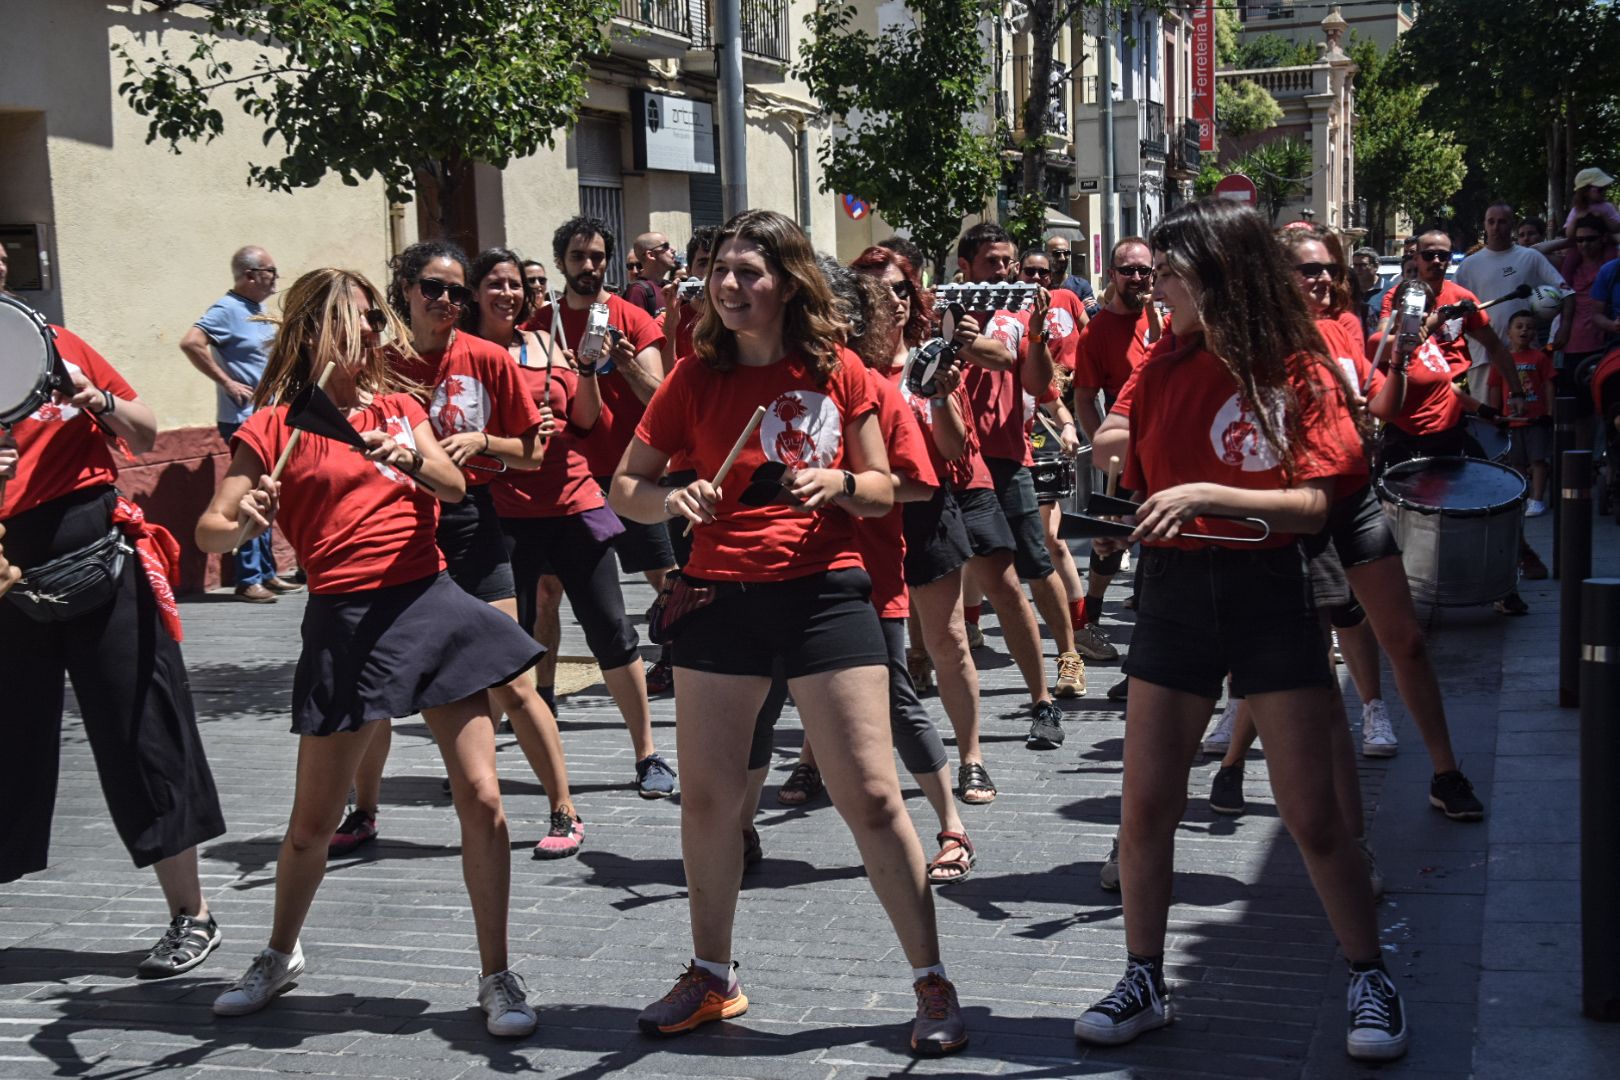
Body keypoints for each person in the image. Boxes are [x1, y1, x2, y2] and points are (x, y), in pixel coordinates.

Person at [610, 209, 968, 1057]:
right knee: (709, 800)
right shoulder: (692, 380)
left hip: (825, 596)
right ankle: (712, 973)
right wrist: (671, 501)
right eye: (722, 272)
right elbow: (627, 484)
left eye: (750, 272)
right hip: (719, 598)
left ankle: (932, 980)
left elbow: (888, 489)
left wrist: (841, 478)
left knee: (873, 797)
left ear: (789, 282)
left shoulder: (839, 373)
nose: (730, 287)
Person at [1074, 198, 1408, 1063]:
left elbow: (1315, 504)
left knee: (1314, 816)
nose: (1161, 291)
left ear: (1218, 276)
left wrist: (1208, 496)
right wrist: (1115, 443)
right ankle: (1144, 976)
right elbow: (1119, 422)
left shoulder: (1292, 367)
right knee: (1145, 806)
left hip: (1268, 592)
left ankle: (1369, 975)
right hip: (1177, 593)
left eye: (1175, 274)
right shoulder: (1165, 356)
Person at [196, 267, 542, 1034]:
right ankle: (280, 954)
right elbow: (211, 531)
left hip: (429, 601)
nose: (377, 335)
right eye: (361, 321)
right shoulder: (276, 424)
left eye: (379, 322)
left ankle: (498, 974)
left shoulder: (398, 405)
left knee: (482, 799)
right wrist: (248, 518)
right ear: (314, 330)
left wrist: (410, 456)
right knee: (311, 825)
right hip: (345, 622)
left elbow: (454, 487)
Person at [1, 319, 226, 981]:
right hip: (6, 562)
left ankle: (193, 914)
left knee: (140, 728)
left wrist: (93, 397)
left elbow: (146, 430)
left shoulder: (48, 342)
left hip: (93, 547)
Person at [747, 262, 977, 883]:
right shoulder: (766, 386)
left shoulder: (870, 387)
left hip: (867, 577)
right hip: (777, 576)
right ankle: (740, 832)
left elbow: (919, 483)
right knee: (761, 703)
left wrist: (842, 486)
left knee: (898, 703)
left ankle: (952, 826)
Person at [465, 245, 655, 841]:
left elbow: (588, 421)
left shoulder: (548, 345)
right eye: (495, 284)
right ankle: (481, 757)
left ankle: (647, 755)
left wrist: (591, 377)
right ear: (476, 293)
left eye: (516, 284)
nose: (509, 294)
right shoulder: (464, 355)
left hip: (573, 500)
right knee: (502, 643)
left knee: (611, 630)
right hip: (503, 512)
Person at [524, 218, 676, 793]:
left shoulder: (632, 317)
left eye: (597, 256)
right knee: (545, 595)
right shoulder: (538, 326)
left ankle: (673, 672)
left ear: (611, 262)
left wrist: (625, 357)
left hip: (632, 474)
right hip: (567, 479)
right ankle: (541, 702)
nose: (589, 266)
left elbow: (659, 398)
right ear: (561, 261)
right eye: (578, 256)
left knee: (665, 579)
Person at [853, 244, 995, 806]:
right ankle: (818, 759)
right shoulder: (842, 361)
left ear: (915, 297)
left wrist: (939, 397)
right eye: (874, 288)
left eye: (899, 288)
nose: (890, 299)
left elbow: (955, 448)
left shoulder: (928, 358)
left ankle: (972, 757)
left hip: (927, 509)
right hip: (861, 513)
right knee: (844, 644)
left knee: (947, 640)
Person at [955, 222, 1086, 744]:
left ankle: (1069, 655)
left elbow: (1033, 379)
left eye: (1010, 262)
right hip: (949, 456)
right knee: (925, 569)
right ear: (965, 267)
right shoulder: (942, 310)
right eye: (994, 262)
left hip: (1006, 456)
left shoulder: (1015, 317)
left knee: (1035, 561)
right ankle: (921, 658)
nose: (1006, 271)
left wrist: (1033, 333)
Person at [180, 245, 300, 602]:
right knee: (249, 495)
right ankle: (249, 580)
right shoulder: (227, 309)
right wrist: (228, 382)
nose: (275, 279)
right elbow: (192, 343)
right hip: (243, 421)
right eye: (270, 272)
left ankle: (265, 572)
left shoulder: (255, 310)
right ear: (249, 275)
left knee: (266, 492)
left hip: (266, 417)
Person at [1069, 238, 1159, 667]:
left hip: (1168, 450)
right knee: (1108, 543)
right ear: (1113, 276)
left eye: (1145, 270)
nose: (1138, 279)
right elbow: (1085, 397)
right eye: (1129, 271)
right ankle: (1090, 621)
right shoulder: (1097, 332)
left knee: (1157, 544)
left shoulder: (1167, 319)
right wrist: (1100, 446)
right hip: (1126, 453)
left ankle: (1150, 641)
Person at [1454, 203, 1571, 398]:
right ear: (1484, 224)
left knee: (1526, 416)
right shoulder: (1468, 266)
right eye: (1491, 222)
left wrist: (1564, 328)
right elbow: (1454, 310)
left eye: (1502, 222)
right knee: (1488, 420)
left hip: (1526, 356)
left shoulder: (1531, 257)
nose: (1496, 227)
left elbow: (1567, 293)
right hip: (1483, 357)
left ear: (1512, 225)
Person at [1488, 310, 1557, 514]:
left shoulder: (1540, 357)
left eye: (1530, 327)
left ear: (1536, 333)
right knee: (1516, 461)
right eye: (1519, 326)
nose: (1524, 330)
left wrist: (1550, 412)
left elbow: (1548, 385)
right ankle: (1521, 496)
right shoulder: (1501, 359)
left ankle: (1537, 499)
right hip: (1511, 419)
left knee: (1538, 460)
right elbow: (1494, 387)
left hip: (1535, 418)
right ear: (1508, 332)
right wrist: (1494, 413)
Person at [626, 232, 679, 317]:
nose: (673, 250)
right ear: (651, 255)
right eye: (666, 246)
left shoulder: (670, 286)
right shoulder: (638, 291)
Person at [1047, 235, 1096, 311]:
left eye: (1066, 253)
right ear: (1046, 256)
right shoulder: (1043, 285)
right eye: (1057, 254)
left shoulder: (1081, 286)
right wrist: (1079, 308)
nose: (1062, 258)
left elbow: (1092, 313)